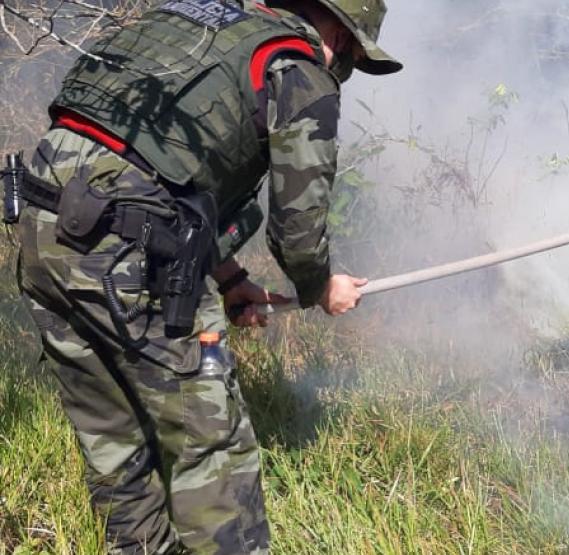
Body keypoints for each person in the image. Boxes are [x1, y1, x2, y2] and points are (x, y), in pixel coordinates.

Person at [13, 0, 401, 552]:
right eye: (352, 58)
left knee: (115, 443)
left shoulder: (189, 19)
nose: (342, 68)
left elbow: (162, 168)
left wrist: (228, 276)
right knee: (211, 446)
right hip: (130, 248)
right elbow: (297, 226)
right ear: (338, 31)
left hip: (42, 225)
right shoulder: (298, 68)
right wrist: (319, 288)